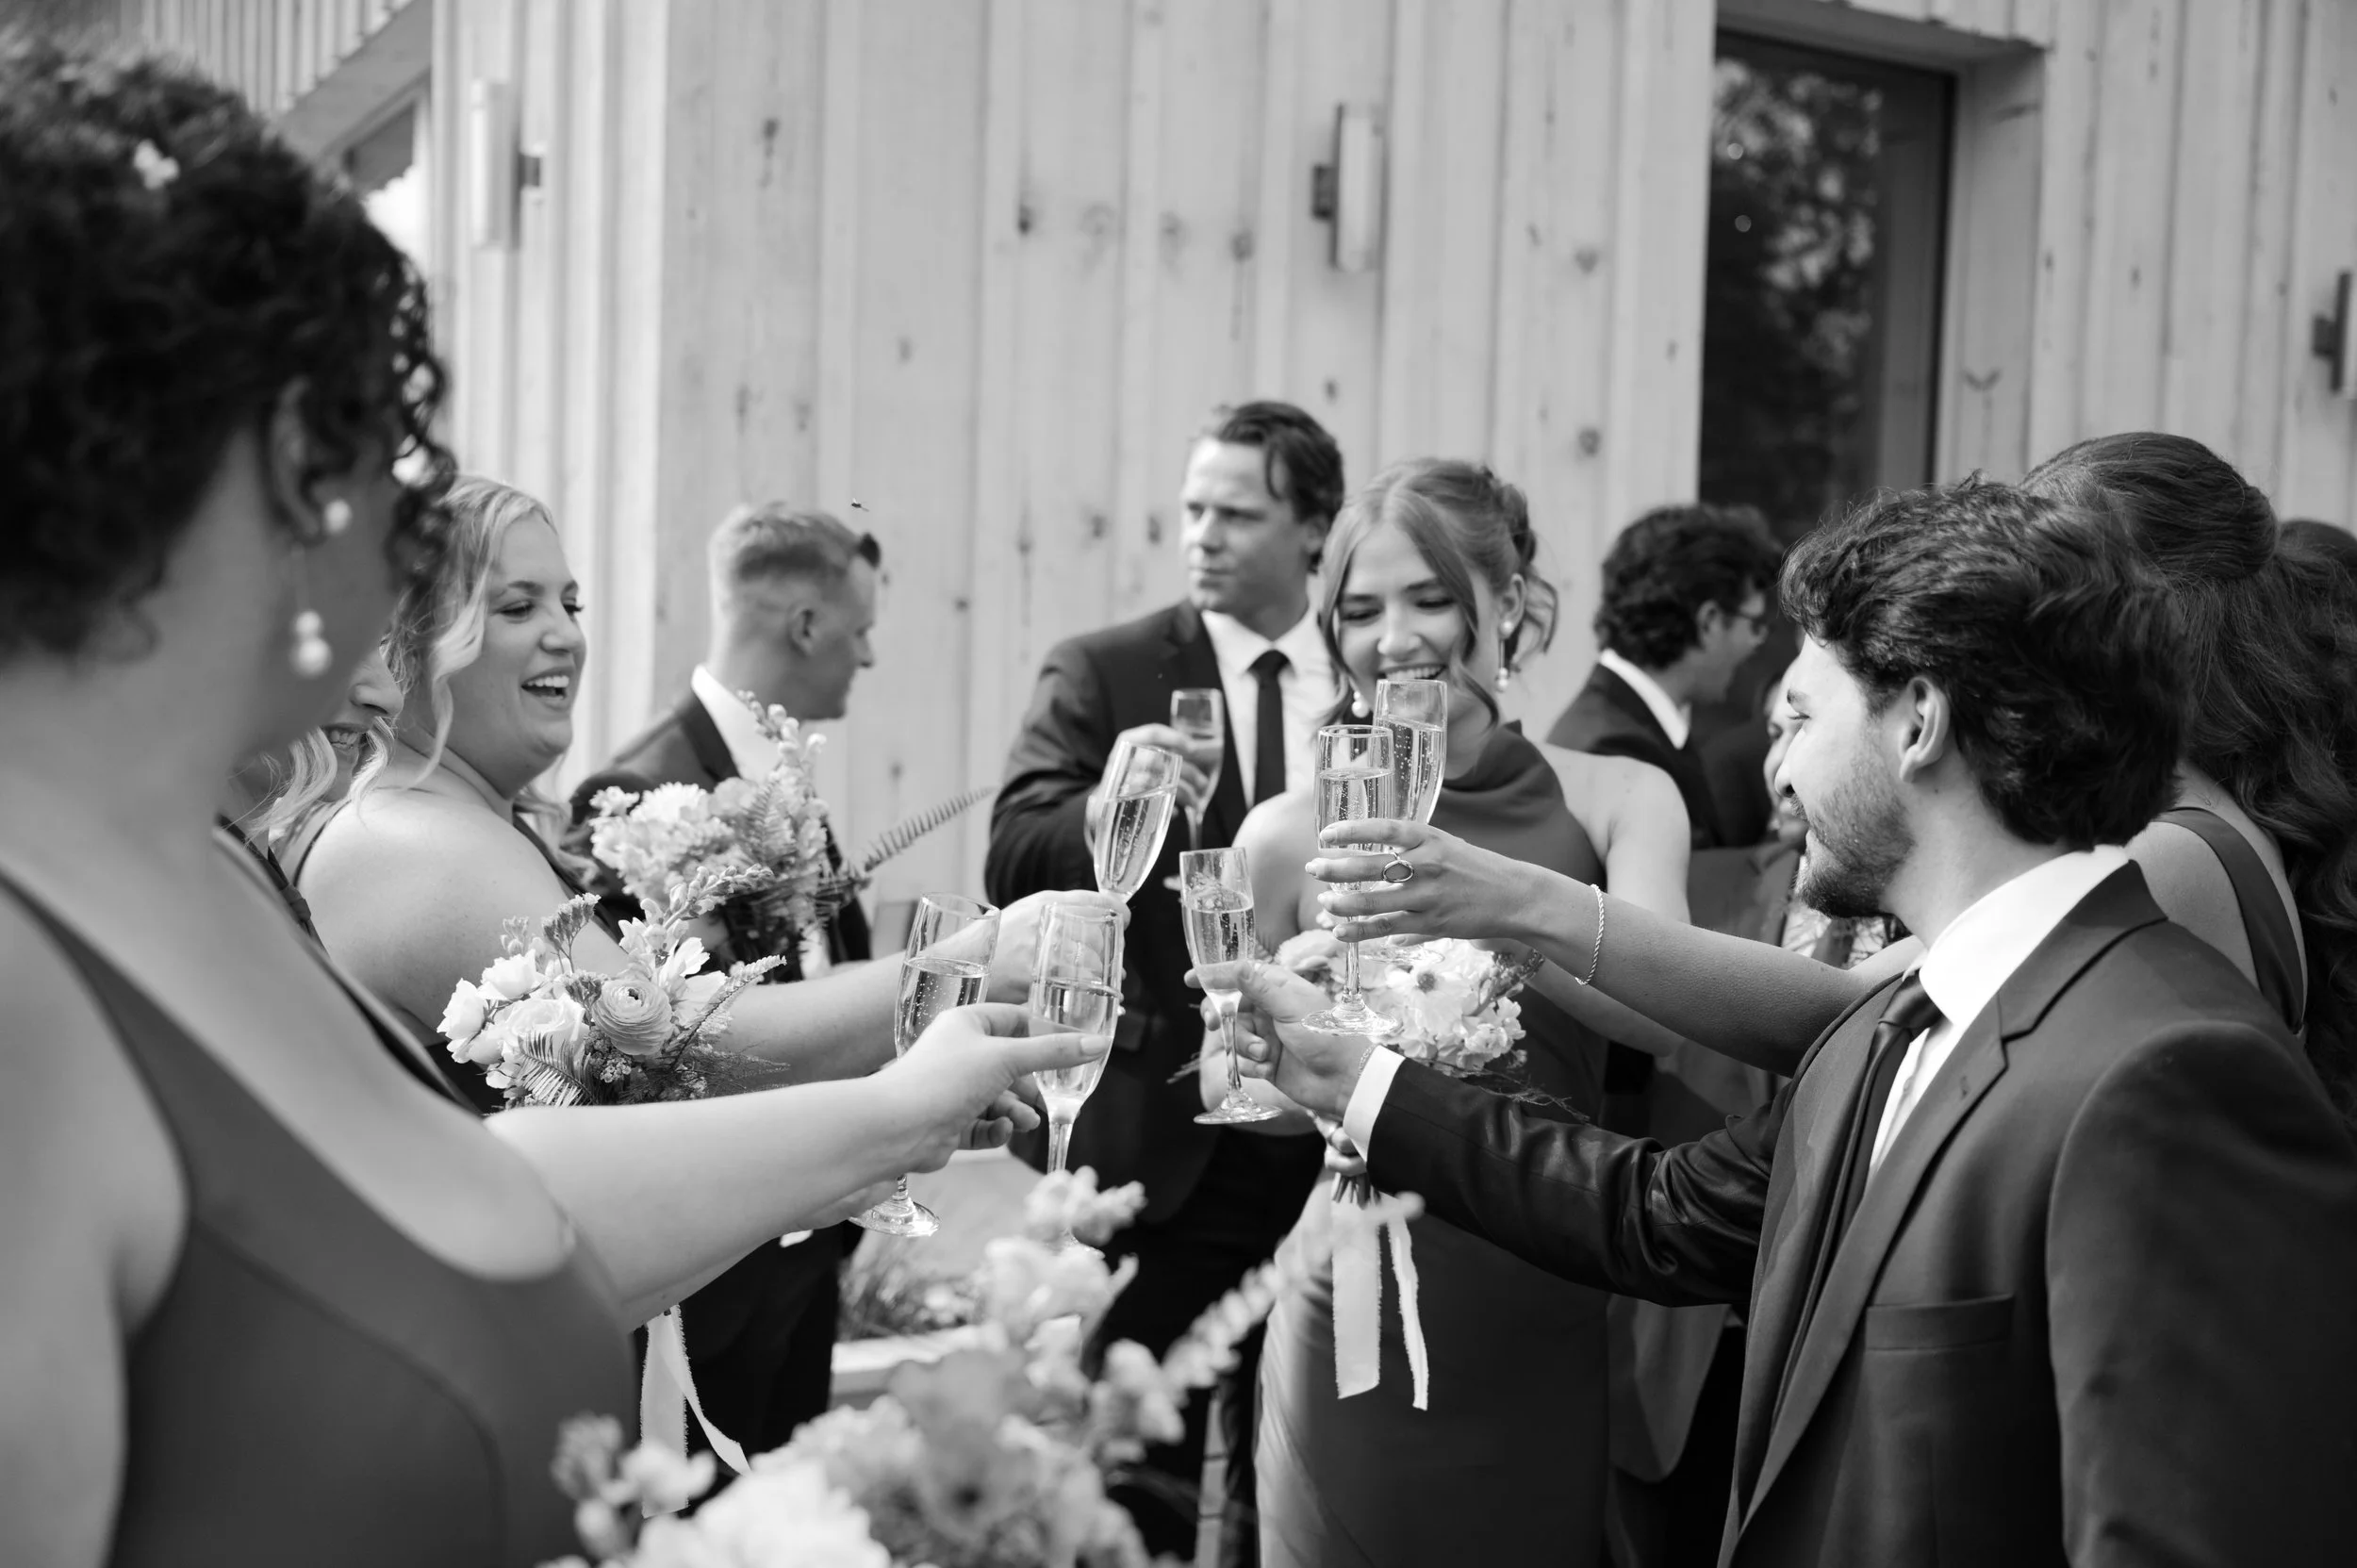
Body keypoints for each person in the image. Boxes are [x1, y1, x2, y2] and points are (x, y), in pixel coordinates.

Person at [0, 40, 1099, 1567]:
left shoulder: (208, 867)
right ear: (152, 481)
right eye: (334, 452)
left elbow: (482, 1189)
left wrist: (899, 1107)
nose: (385, 527)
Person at [1221, 479, 2357, 1565]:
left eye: (1802, 715)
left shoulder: (2167, 1071)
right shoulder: (1891, 1026)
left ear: (1917, 722)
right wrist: (1345, 1077)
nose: (1774, 769)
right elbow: (1651, 1214)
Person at [1212, 459, 1689, 1568]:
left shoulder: (1619, 797)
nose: (1395, 638)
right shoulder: (1287, 835)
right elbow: (1235, 1098)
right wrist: (1287, 1033)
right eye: (1360, 609)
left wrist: (1489, 920)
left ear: (1507, 603)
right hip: (1356, 1292)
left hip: (1547, 1278)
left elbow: (1659, 1022)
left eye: (1428, 597)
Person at [985, 400, 1343, 1562]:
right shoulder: (1108, 667)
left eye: (1236, 514)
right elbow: (1011, 851)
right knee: (1136, 1463)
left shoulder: (1362, 679)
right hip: (1162, 1136)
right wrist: (1109, 808)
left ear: (1313, 529)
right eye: (1192, 510)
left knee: (1298, 1462)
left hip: (1330, 1129)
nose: (1203, 534)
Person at [569, 502, 884, 1456]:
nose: (867, 658)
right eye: (861, 630)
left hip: (810, 1236)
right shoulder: (636, 797)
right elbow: (638, 1057)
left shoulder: (785, 777)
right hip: (715, 1270)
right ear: (805, 624)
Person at [1547, 503, 1783, 850]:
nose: (1756, 642)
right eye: (1755, 624)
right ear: (1709, 621)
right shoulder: (1617, 750)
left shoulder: (1618, 724)